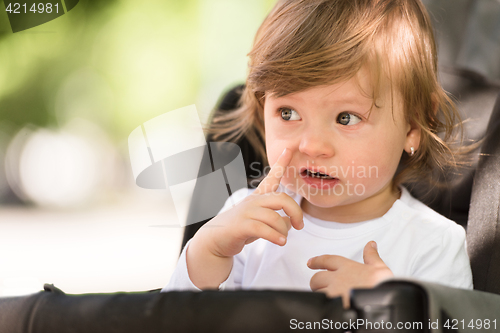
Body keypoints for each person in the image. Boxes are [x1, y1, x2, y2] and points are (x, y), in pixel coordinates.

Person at [162, 0, 473, 306]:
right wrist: (207, 253)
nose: (311, 146)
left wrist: (388, 311)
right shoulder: (244, 222)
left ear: (413, 126)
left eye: (346, 118)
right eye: (287, 113)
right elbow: (170, 321)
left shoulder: (434, 245)